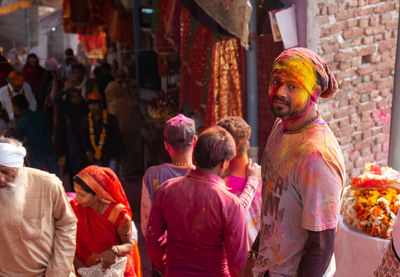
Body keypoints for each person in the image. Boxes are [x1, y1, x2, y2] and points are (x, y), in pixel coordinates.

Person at [243, 47, 346, 277]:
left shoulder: (318, 157)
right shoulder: (281, 127)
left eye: (293, 86)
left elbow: (320, 248)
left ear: (314, 93)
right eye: (277, 80)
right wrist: (253, 257)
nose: (279, 91)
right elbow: (273, 210)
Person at [146, 125, 248, 277]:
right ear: (224, 163)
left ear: (196, 154)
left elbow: (153, 241)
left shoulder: (166, 190)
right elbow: (238, 261)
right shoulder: (230, 203)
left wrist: (166, 266)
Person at [0, 136, 77, 276]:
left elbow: (67, 224)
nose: (1, 178)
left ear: (19, 168)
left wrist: (58, 270)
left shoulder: (48, 184)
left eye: (6, 172)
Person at [71, 165, 142, 277]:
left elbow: (128, 245)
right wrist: (80, 267)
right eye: (76, 192)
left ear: (98, 194)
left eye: (82, 195)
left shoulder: (118, 214)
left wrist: (114, 250)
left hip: (112, 266)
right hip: (83, 265)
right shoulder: (74, 208)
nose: (77, 198)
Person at [140, 113, 197, 236]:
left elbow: (147, 225)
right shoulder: (204, 176)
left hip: (164, 250)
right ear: (195, 141)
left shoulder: (152, 175)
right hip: (196, 250)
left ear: (166, 145)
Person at [216, 116, 262, 246]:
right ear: (247, 145)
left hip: (240, 261)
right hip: (268, 256)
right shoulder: (265, 176)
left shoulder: (221, 187)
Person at [105, 70, 143, 176]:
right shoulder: (125, 100)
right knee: (129, 151)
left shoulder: (113, 103)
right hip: (129, 132)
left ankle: (125, 171)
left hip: (120, 133)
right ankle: (128, 171)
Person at [13, 94, 59, 175]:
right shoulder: (41, 115)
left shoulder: (21, 123)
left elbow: (18, 142)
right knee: (56, 178)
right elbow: (50, 128)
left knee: (38, 180)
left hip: (36, 156)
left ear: (17, 108)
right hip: (49, 150)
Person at [81, 92, 123, 174]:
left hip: (111, 153)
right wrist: (88, 151)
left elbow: (117, 137)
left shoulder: (110, 119)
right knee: (99, 180)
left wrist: (120, 154)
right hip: (96, 155)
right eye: (90, 104)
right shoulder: (86, 121)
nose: (92, 107)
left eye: (95, 104)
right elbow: (84, 138)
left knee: (113, 177)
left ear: (100, 105)